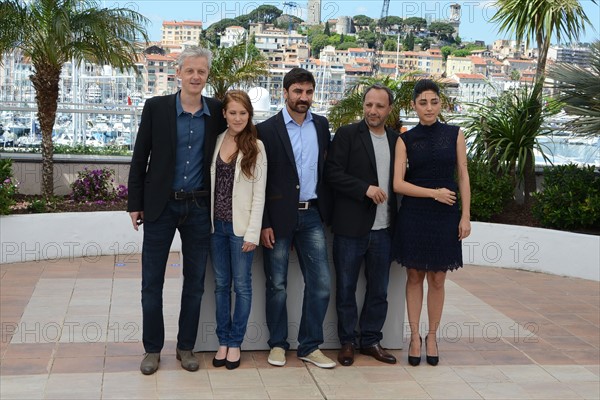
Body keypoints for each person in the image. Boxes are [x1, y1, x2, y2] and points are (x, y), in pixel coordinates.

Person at [128, 46, 227, 375]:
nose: (196, 76)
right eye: (190, 71)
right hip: (160, 205)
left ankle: (186, 347)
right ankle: (152, 349)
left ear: (206, 76)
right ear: (178, 74)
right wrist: (135, 204)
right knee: (151, 282)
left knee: (195, 283)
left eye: (201, 71)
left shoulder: (216, 110)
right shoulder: (156, 108)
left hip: (199, 206)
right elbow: (140, 156)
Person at [257, 67, 336, 369]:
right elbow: (260, 181)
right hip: (277, 219)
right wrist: (264, 221)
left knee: (320, 284)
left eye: (308, 92)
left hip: (312, 215)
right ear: (285, 93)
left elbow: (327, 171)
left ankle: (309, 346)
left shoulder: (321, 125)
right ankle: (277, 344)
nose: (304, 98)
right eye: (298, 92)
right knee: (277, 284)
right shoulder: (266, 129)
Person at [392, 79, 471, 367]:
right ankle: (414, 337)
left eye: (433, 102)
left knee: (438, 278)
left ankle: (432, 336)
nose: (428, 107)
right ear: (414, 105)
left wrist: (465, 215)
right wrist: (433, 193)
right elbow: (398, 184)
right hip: (415, 213)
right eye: (422, 102)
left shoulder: (455, 134)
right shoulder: (405, 139)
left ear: (441, 104)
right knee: (414, 276)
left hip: (447, 215)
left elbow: (463, 175)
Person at [325, 84, 398, 366]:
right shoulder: (346, 134)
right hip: (350, 228)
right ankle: (347, 342)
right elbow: (331, 173)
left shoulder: (396, 140)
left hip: (384, 230)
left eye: (379, 106)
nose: (373, 111)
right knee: (345, 288)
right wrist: (364, 188)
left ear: (389, 110)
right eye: (369, 105)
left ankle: (371, 341)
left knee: (379, 290)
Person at [209, 90, 267, 370]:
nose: (237, 118)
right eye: (232, 112)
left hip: (240, 228)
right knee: (221, 286)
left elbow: (259, 195)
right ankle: (222, 340)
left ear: (249, 115)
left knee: (242, 286)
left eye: (243, 113)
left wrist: (252, 233)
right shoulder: (216, 141)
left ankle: (235, 342)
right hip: (215, 227)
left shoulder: (256, 146)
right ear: (224, 114)